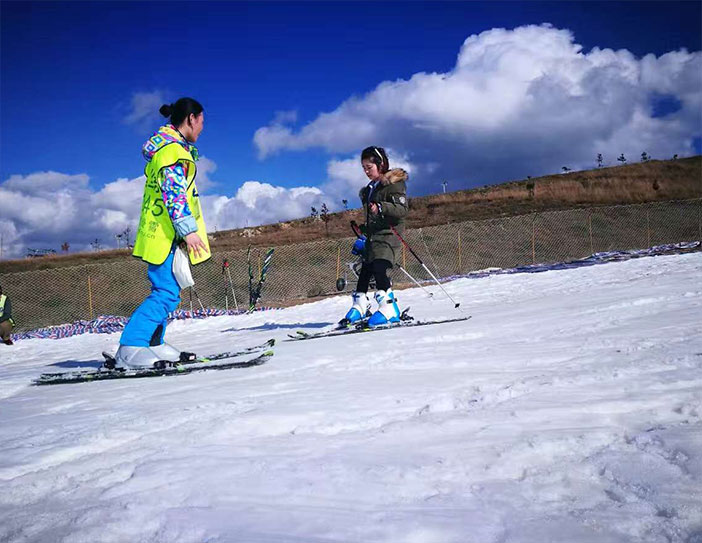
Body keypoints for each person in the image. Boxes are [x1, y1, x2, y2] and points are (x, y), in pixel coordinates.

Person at [114, 97, 211, 368]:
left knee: (169, 291)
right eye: (202, 121)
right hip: (164, 235)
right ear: (191, 119)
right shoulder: (171, 152)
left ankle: (153, 344)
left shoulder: (171, 150)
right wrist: (188, 231)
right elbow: (174, 194)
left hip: (165, 235)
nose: (202, 128)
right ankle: (131, 346)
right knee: (165, 293)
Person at [343, 146, 409, 327]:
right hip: (374, 238)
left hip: (389, 236)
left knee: (379, 268)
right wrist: (363, 232)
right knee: (365, 271)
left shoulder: (394, 184)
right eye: (363, 167)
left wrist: (381, 207)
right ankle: (360, 306)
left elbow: (402, 210)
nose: (366, 171)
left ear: (380, 164)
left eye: (369, 167)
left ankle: (389, 309)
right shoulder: (369, 189)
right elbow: (372, 218)